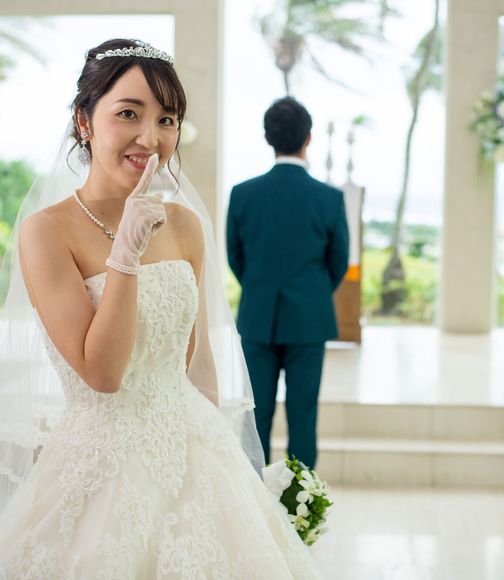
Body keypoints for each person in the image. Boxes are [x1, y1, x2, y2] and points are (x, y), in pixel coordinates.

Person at [0, 39, 323, 578]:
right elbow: (103, 374)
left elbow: (196, 362)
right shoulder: (46, 232)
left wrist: (228, 464)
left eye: (167, 119)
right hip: (101, 470)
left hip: (195, 456)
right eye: (128, 113)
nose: (150, 139)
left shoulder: (185, 225)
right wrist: (124, 254)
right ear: (84, 121)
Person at [226, 97, 349, 469]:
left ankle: (254, 495)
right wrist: (312, 294)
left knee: (256, 414)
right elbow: (338, 262)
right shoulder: (329, 198)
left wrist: (259, 288)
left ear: (268, 137)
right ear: (308, 138)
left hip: (258, 318)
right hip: (309, 322)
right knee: (303, 415)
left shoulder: (242, 194)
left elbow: (235, 257)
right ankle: (301, 499)